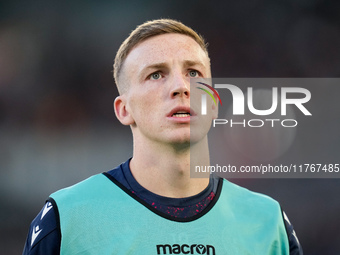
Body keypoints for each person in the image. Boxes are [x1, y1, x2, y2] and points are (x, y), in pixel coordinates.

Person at [23, 19, 303, 254]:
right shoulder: (67, 218)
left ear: (214, 103)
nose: (181, 87)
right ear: (124, 110)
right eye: (156, 75)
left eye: (194, 72)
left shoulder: (268, 221)